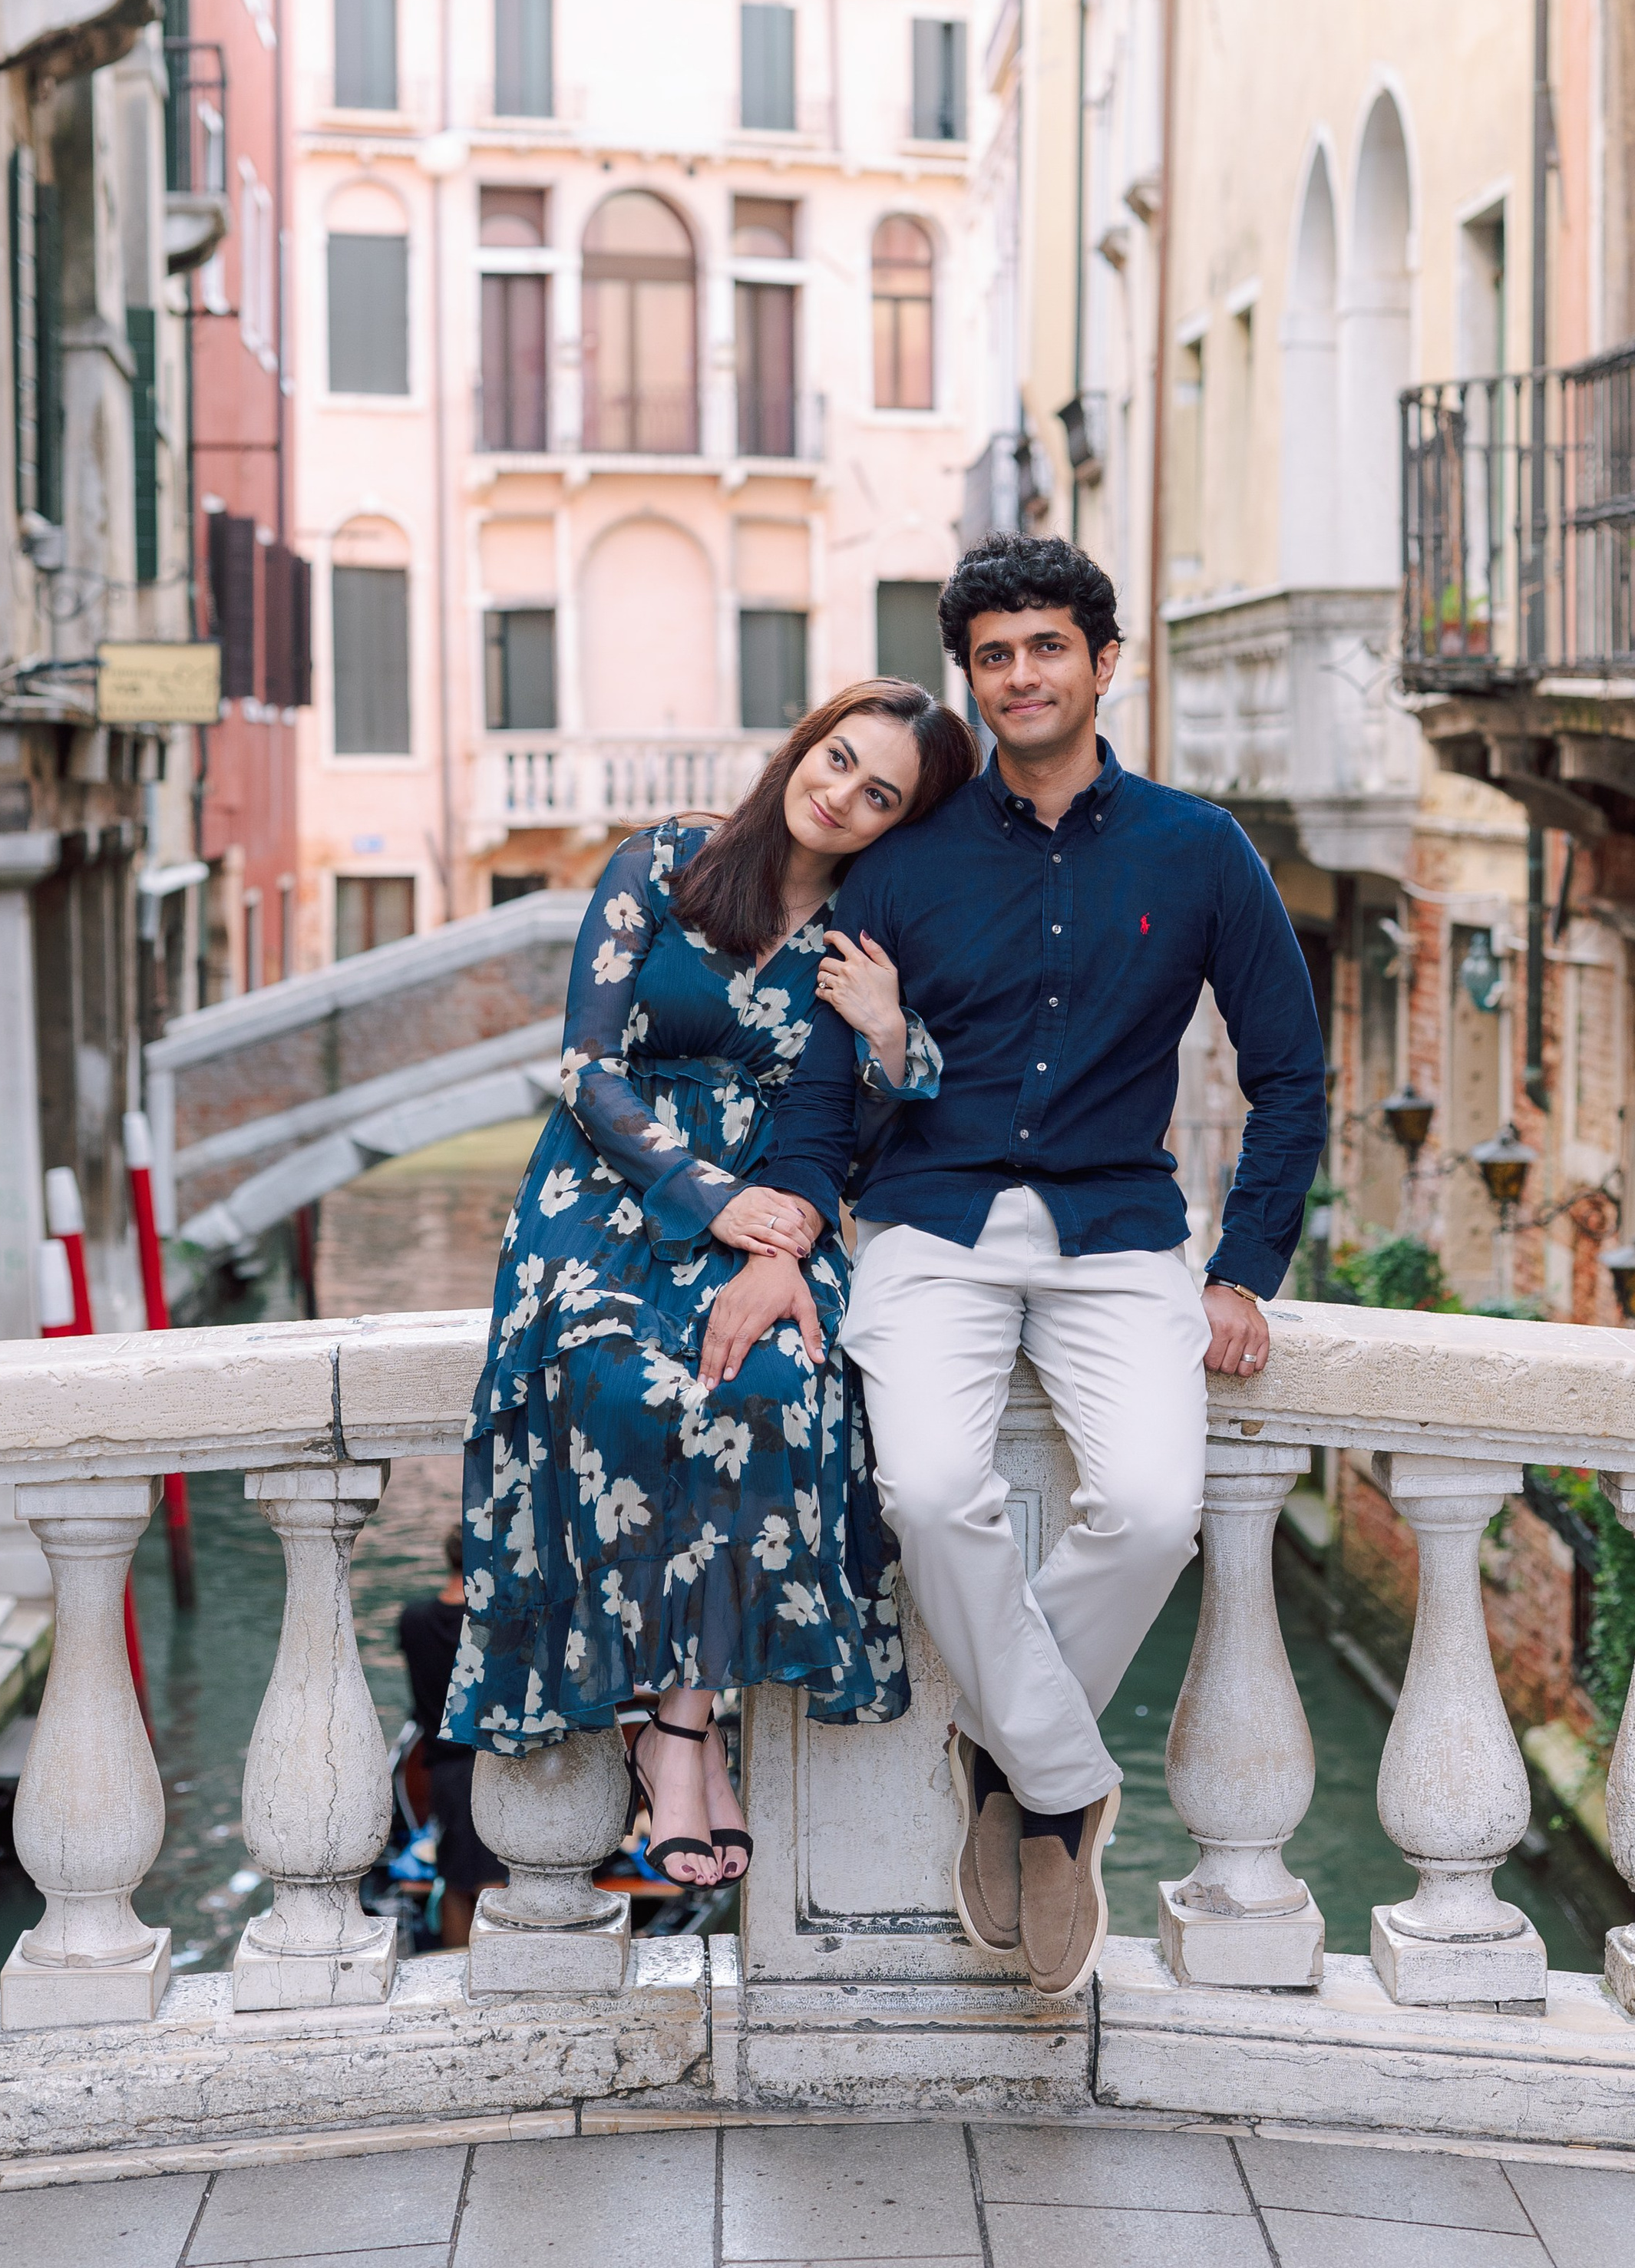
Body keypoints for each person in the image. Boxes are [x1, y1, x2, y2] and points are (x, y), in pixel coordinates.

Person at [755, 533, 1327, 1998]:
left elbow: (1291, 1072)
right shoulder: (900, 863)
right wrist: (788, 1235)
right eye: (994, 654)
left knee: (1151, 1511)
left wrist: (1245, 1265)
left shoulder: (1202, 850)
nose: (1021, 674)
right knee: (930, 1490)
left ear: (1103, 660)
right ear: (971, 676)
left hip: (1122, 1229)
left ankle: (1004, 1761)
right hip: (930, 1225)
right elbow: (820, 1088)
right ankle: (1062, 1787)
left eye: (1047, 646)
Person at [442, 677, 977, 1889]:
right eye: (838, 760)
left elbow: (862, 1134)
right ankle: (682, 1738)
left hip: (778, 1216)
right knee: (613, 1381)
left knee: (774, 1387)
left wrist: (889, 1036)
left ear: (900, 823)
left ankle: (678, 1732)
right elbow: (585, 1067)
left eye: (880, 794)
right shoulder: (661, 866)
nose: (841, 796)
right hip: (607, 1194)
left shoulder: (865, 937)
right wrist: (704, 1193)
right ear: (805, 746)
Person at [398, 1527, 506, 1947]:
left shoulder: (413, 1620)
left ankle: (455, 1965)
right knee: (492, 1880)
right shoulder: (494, 1621)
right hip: (492, 1765)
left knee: (454, 1879)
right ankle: (496, 1966)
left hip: (441, 1769)